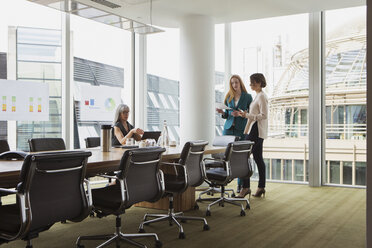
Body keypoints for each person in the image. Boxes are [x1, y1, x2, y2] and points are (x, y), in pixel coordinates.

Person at [216, 75, 252, 193]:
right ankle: (224, 180)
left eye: (236, 82)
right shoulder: (229, 96)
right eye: (232, 83)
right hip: (228, 129)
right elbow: (227, 114)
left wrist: (241, 114)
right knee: (227, 156)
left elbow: (250, 113)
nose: (234, 85)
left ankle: (241, 185)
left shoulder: (247, 97)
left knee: (240, 157)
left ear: (240, 83)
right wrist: (222, 112)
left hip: (241, 129)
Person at [237, 73, 269, 198]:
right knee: (258, 159)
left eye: (254, 82)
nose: (251, 85)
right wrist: (246, 114)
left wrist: (248, 115)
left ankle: (245, 188)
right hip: (253, 129)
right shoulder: (258, 96)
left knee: (243, 157)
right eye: (251, 82)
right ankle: (261, 187)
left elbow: (264, 115)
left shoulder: (261, 96)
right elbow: (256, 113)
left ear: (260, 82)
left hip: (256, 130)